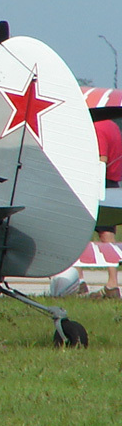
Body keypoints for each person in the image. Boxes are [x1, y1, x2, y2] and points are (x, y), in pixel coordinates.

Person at [92, 119, 122, 299]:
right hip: (113, 182)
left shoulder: (98, 128)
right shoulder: (112, 125)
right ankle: (113, 282)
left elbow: (101, 159)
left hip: (101, 182)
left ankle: (78, 281)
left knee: (81, 229)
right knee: (108, 234)